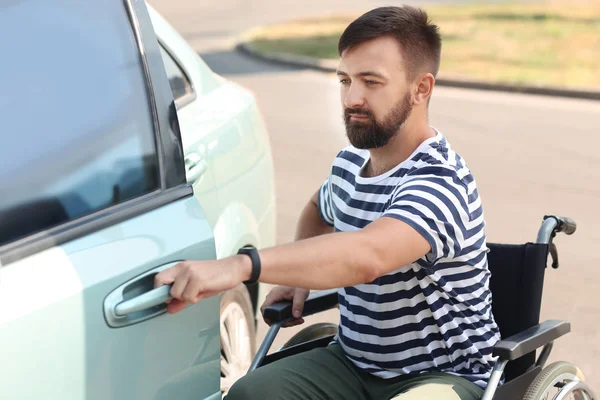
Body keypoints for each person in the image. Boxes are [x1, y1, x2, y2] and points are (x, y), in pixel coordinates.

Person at [155, 5, 501, 399]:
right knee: (250, 393)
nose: (352, 98)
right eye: (344, 80)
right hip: (353, 363)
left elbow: (367, 255)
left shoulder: (439, 180)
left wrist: (239, 266)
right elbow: (318, 209)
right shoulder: (349, 165)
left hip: (443, 375)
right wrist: (293, 279)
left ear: (421, 88)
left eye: (371, 82)